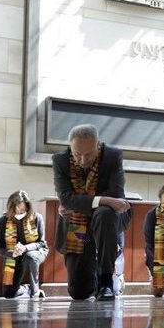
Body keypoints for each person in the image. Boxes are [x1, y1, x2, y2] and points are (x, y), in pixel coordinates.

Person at [52, 124, 132, 300]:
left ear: (97, 145)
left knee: (105, 213)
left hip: (108, 218)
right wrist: (103, 200)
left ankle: (106, 282)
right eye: (77, 154)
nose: (82, 160)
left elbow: (116, 195)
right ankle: (94, 275)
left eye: (87, 154)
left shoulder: (112, 156)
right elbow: (65, 198)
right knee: (79, 293)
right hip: (75, 222)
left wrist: (81, 202)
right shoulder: (60, 161)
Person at [0, 191, 49, 298]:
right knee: (8, 293)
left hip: (36, 252)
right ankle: (27, 288)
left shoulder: (37, 217)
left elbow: (41, 243)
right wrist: (12, 253)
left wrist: (25, 248)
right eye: (17, 210)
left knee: (31, 256)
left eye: (23, 210)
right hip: (13, 256)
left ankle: (35, 291)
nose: (20, 212)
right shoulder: (3, 221)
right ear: (11, 208)